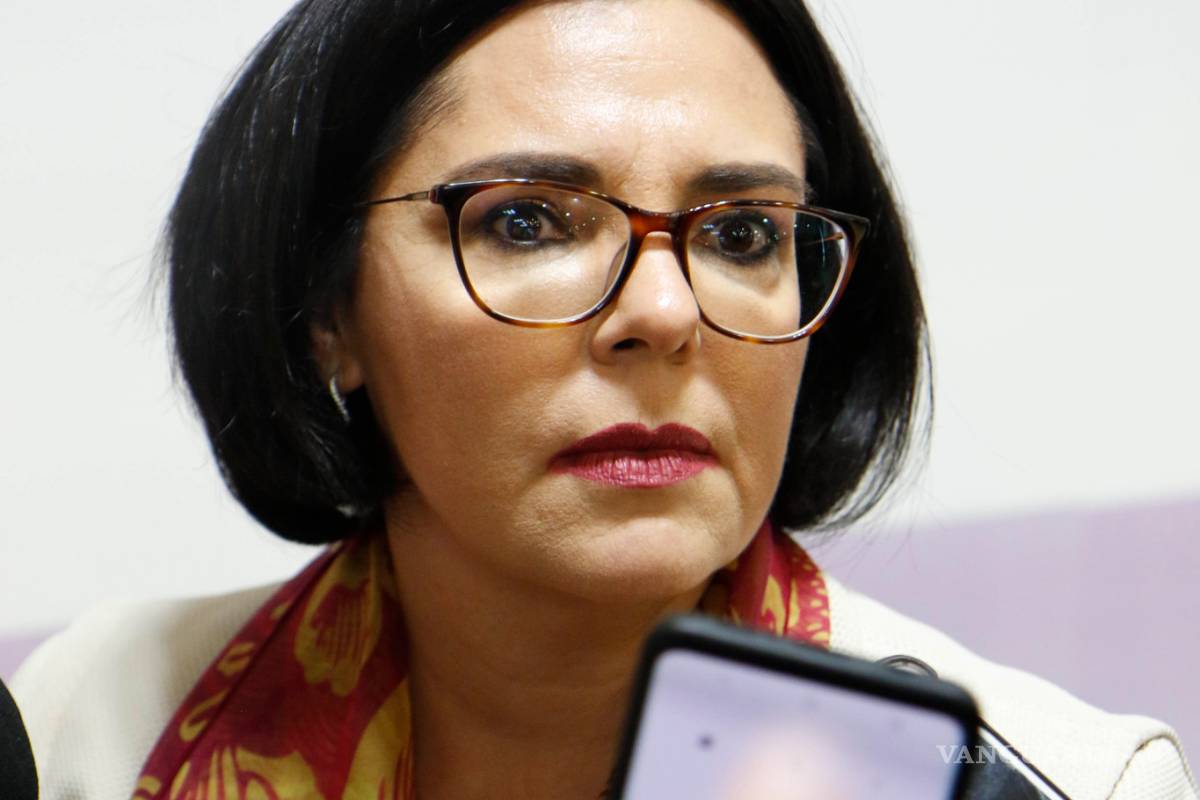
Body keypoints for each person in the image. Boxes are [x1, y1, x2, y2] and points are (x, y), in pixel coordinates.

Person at [10, 0, 1196, 798]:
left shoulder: (1066, 783)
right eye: (528, 220)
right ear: (330, 309)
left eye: (743, 233)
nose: (666, 312)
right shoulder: (95, 729)